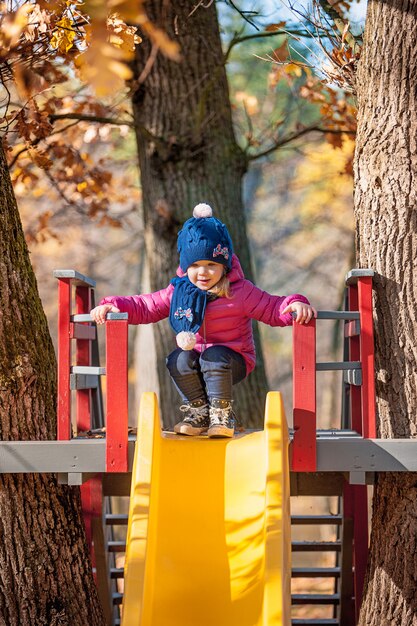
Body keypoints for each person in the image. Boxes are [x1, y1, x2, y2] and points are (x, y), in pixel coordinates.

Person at [90, 203, 316, 439]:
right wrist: (113, 304)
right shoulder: (178, 292)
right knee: (178, 358)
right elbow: (146, 305)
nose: (203, 272)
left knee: (214, 356)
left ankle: (222, 415)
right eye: (195, 265)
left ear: (224, 266)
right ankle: (199, 413)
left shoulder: (239, 292)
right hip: (198, 361)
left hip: (232, 361)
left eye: (211, 265)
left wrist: (295, 303)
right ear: (185, 267)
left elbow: (271, 307)